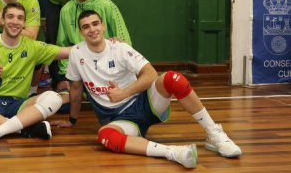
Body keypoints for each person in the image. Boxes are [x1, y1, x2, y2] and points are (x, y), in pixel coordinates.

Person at [59, 10, 241, 169]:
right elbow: (75, 89)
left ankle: (214, 133)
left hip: (144, 103)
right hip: (120, 120)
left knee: (171, 78)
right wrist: (72, 120)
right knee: (105, 136)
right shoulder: (77, 53)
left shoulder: (119, 48)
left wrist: (124, 92)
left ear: (104, 26)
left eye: (95, 23)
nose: (92, 29)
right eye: (86, 27)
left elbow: (150, 73)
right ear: (80, 32)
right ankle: (175, 153)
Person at [0, 3, 72, 143]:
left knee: (54, 97)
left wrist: (103, 43)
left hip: (18, 105)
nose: (15, 21)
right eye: (10, 17)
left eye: (20, 18)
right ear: (3, 20)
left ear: (24, 23)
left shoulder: (32, 46)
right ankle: (24, 129)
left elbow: (69, 52)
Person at [52, 0, 131, 112]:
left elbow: (125, 42)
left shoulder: (107, 5)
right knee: (63, 107)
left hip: (107, 70)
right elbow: (62, 44)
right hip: (81, 69)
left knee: (112, 101)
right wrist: (65, 76)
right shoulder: (66, 10)